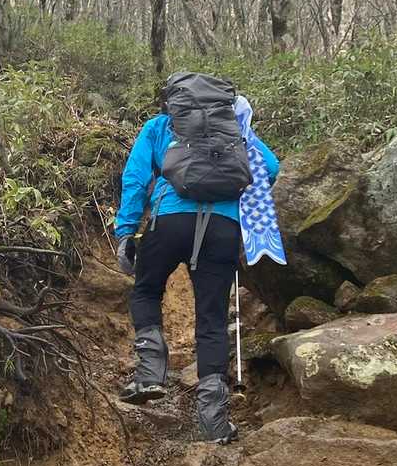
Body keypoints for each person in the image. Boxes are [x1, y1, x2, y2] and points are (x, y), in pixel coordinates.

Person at [114, 72, 280, 444]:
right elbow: (270, 168)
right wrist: (232, 195)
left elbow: (135, 179)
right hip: (222, 229)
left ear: (175, 101)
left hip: (168, 222)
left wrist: (126, 230)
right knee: (212, 318)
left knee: (146, 290)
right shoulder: (235, 130)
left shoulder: (160, 126)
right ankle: (213, 421)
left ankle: (150, 374)